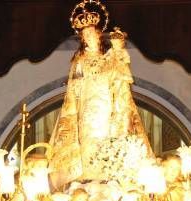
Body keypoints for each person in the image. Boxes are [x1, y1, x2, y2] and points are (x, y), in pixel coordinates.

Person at [48, 2, 151, 189]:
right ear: (82, 38)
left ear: (98, 34)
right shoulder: (79, 61)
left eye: (91, 33)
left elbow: (120, 79)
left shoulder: (109, 59)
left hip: (106, 108)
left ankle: (106, 176)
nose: (88, 37)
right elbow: (73, 89)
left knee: (107, 139)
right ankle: (87, 176)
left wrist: (118, 51)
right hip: (86, 110)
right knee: (88, 142)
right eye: (84, 35)